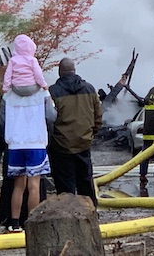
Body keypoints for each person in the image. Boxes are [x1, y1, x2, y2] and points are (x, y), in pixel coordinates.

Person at [1, 75, 56, 233]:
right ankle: (32, 223)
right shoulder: (42, 93)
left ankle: (14, 223)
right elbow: (51, 116)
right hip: (36, 143)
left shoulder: (8, 95)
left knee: (18, 186)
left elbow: (2, 120)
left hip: (15, 144)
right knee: (34, 186)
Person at [48, 58, 102, 206]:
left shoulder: (53, 92)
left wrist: (51, 140)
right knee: (86, 183)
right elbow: (98, 116)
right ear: (74, 70)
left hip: (61, 146)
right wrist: (90, 134)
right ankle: (90, 212)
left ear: (60, 72)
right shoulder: (89, 89)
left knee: (65, 189)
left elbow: (48, 119)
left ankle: (68, 215)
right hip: (84, 143)